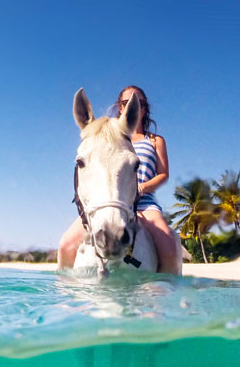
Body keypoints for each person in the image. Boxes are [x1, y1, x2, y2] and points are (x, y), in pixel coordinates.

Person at [58, 85, 180, 274]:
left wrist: (142, 188)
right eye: (126, 102)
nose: (134, 106)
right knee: (65, 245)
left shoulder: (155, 140)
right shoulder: (107, 135)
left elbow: (163, 174)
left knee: (169, 244)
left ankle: (169, 291)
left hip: (144, 202)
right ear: (121, 107)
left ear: (144, 108)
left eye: (140, 103)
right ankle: (64, 293)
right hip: (109, 200)